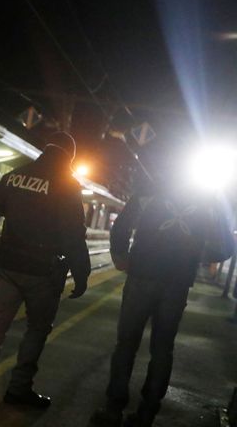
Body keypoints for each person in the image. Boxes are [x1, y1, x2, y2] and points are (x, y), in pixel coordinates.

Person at [91, 141, 235, 427]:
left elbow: (120, 227)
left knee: (126, 345)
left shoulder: (148, 193)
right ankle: (146, 414)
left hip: (142, 277)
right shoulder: (207, 202)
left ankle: (113, 408)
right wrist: (196, 256)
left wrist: (121, 257)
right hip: (176, 285)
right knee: (162, 348)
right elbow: (226, 246)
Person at [0, 131, 91, 408]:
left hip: (10, 264)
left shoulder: (16, 175)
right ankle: (18, 389)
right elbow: (74, 234)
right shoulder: (67, 185)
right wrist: (81, 274)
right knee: (36, 329)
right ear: (68, 157)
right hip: (43, 271)